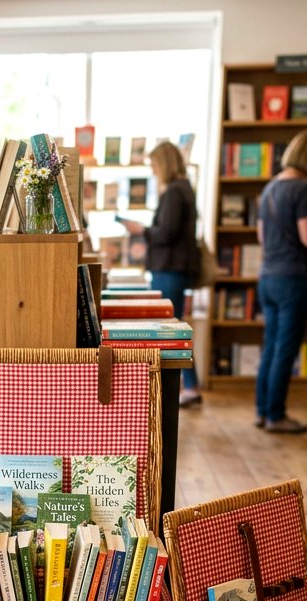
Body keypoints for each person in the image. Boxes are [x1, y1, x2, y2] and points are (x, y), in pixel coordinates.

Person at [255, 130, 307, 433]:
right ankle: (276, 416)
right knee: (285, 349)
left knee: (271, 346)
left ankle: (263, 411)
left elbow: (262, 238)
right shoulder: (303, 189)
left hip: (268, 275)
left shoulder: (270, 188)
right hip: (293, 278)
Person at [117, 140, 201, 405]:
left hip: (171, 268)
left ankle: (186, 387)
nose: (153, 172)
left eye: (154, 166)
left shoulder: (175, 192)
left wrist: (141, 230)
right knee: (175, 326)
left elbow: (166, 233)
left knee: (171, 330)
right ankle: (189, 386)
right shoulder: (182, 189)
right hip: (174, 267)